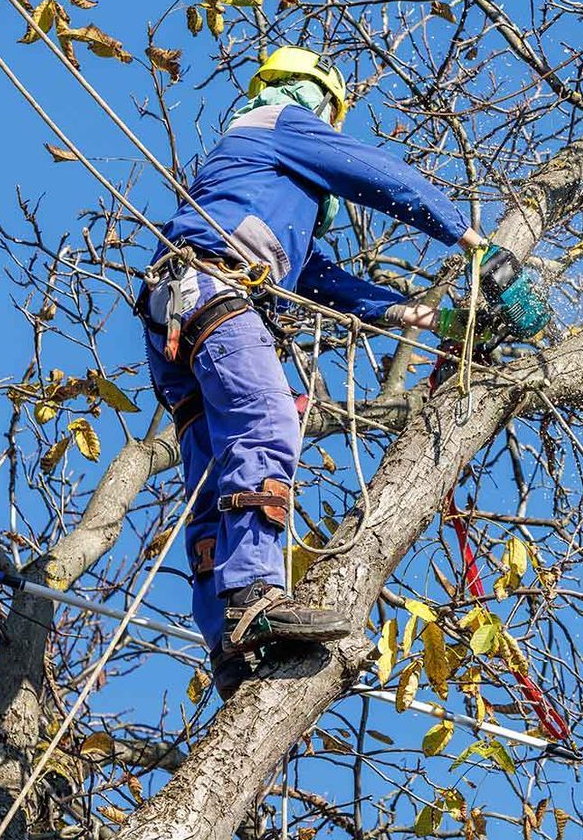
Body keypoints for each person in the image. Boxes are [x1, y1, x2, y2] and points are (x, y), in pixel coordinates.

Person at [135, 46, 539, 700]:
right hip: (214, 291)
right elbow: (375, 173)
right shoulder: (280, 122)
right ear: (311, 96)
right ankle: (254, 594)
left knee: (213, 476)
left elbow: (327, 281)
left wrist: (428, 319)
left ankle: (229, 648)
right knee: (267, 425)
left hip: (177, 314)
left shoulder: (261, 187)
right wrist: (472, 240)